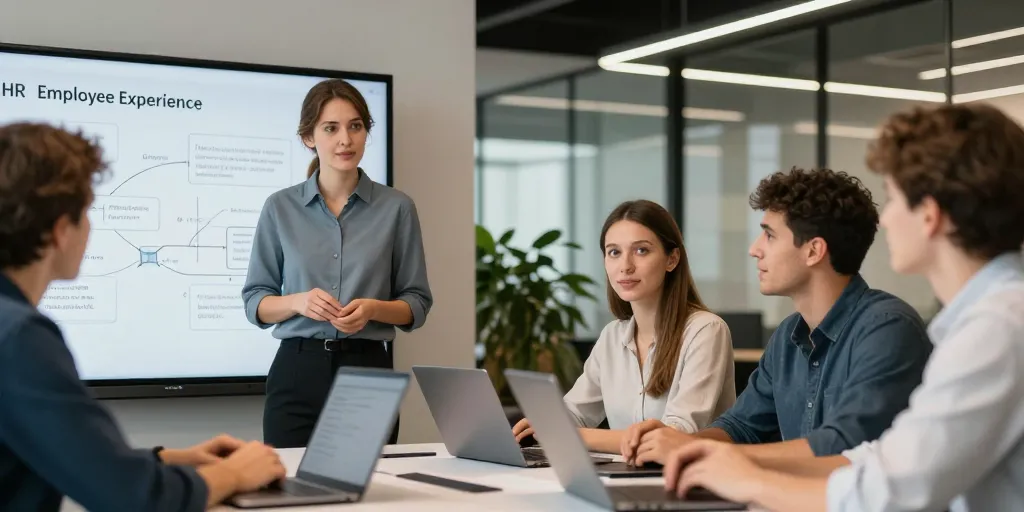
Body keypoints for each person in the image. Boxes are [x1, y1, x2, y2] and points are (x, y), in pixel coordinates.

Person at [661, 103, 1024, 512]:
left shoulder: (997, 328)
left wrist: (748, 478)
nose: (884, 220)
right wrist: (719, 460)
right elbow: (880, 456)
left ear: (929, 215)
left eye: (893, 198)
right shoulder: (986, 321)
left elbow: (889, 492)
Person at [0, 122, 286, 511]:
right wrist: (234, 474)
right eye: (86, 213)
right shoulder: (18, 338)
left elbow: (61, 455)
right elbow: (132, 499)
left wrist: (165, 460)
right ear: (60, 231)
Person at [625, 167, 933, 465]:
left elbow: (843, 446)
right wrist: (678, 444)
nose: (754, 250)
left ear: (813, 251)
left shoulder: (887, 329)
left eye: (769, 236)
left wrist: (706, 455)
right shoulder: (788, 336)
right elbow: (741, 427)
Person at [242, 78, 432, 449]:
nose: (345, 139)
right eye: (331, 128)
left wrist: (374, 309)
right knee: (289, 497)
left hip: (368, 372)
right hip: (296, 371)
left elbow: (417, 303)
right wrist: (298, 302)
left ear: (365, 133)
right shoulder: (280, 207)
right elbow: (255, 301)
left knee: (369, 498)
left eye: (355, 126)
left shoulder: (397, 208)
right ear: (308, 137)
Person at [512, 200, 737, 455]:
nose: (625, 265)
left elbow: (676, 434)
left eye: (641, 250)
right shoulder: (612, 336)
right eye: (614, 252)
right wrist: (542, 425)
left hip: (690, 483)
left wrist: (571, 435)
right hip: (625, 478)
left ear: (672, 259)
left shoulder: (706, 331)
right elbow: (576, 413)